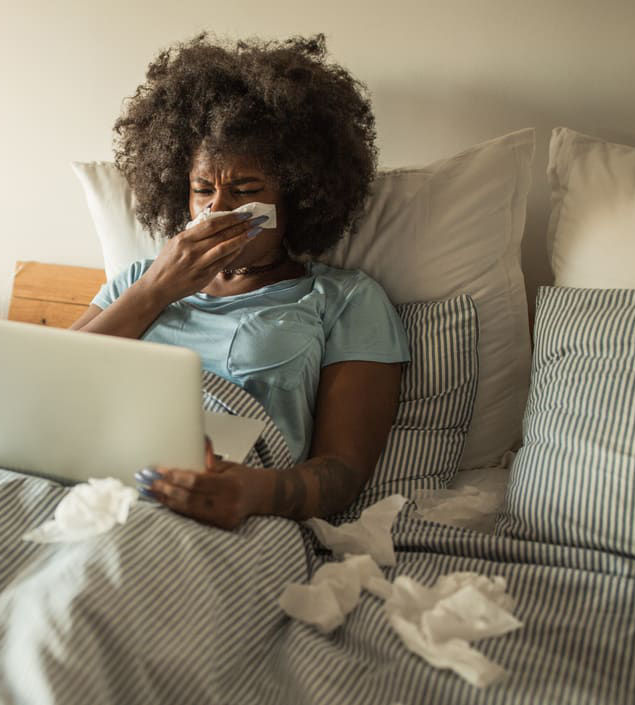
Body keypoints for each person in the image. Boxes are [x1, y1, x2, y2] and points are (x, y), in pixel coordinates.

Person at [70, 34, 409, 530]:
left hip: (232, 509)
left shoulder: (345, 300)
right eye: (202, 190)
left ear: (297, 199)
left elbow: (344, 471)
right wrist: (157, 289)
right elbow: (53, 388)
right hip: (94, 478)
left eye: (247, 191)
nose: (218, 211)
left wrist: (254, 492)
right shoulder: (140, 281)